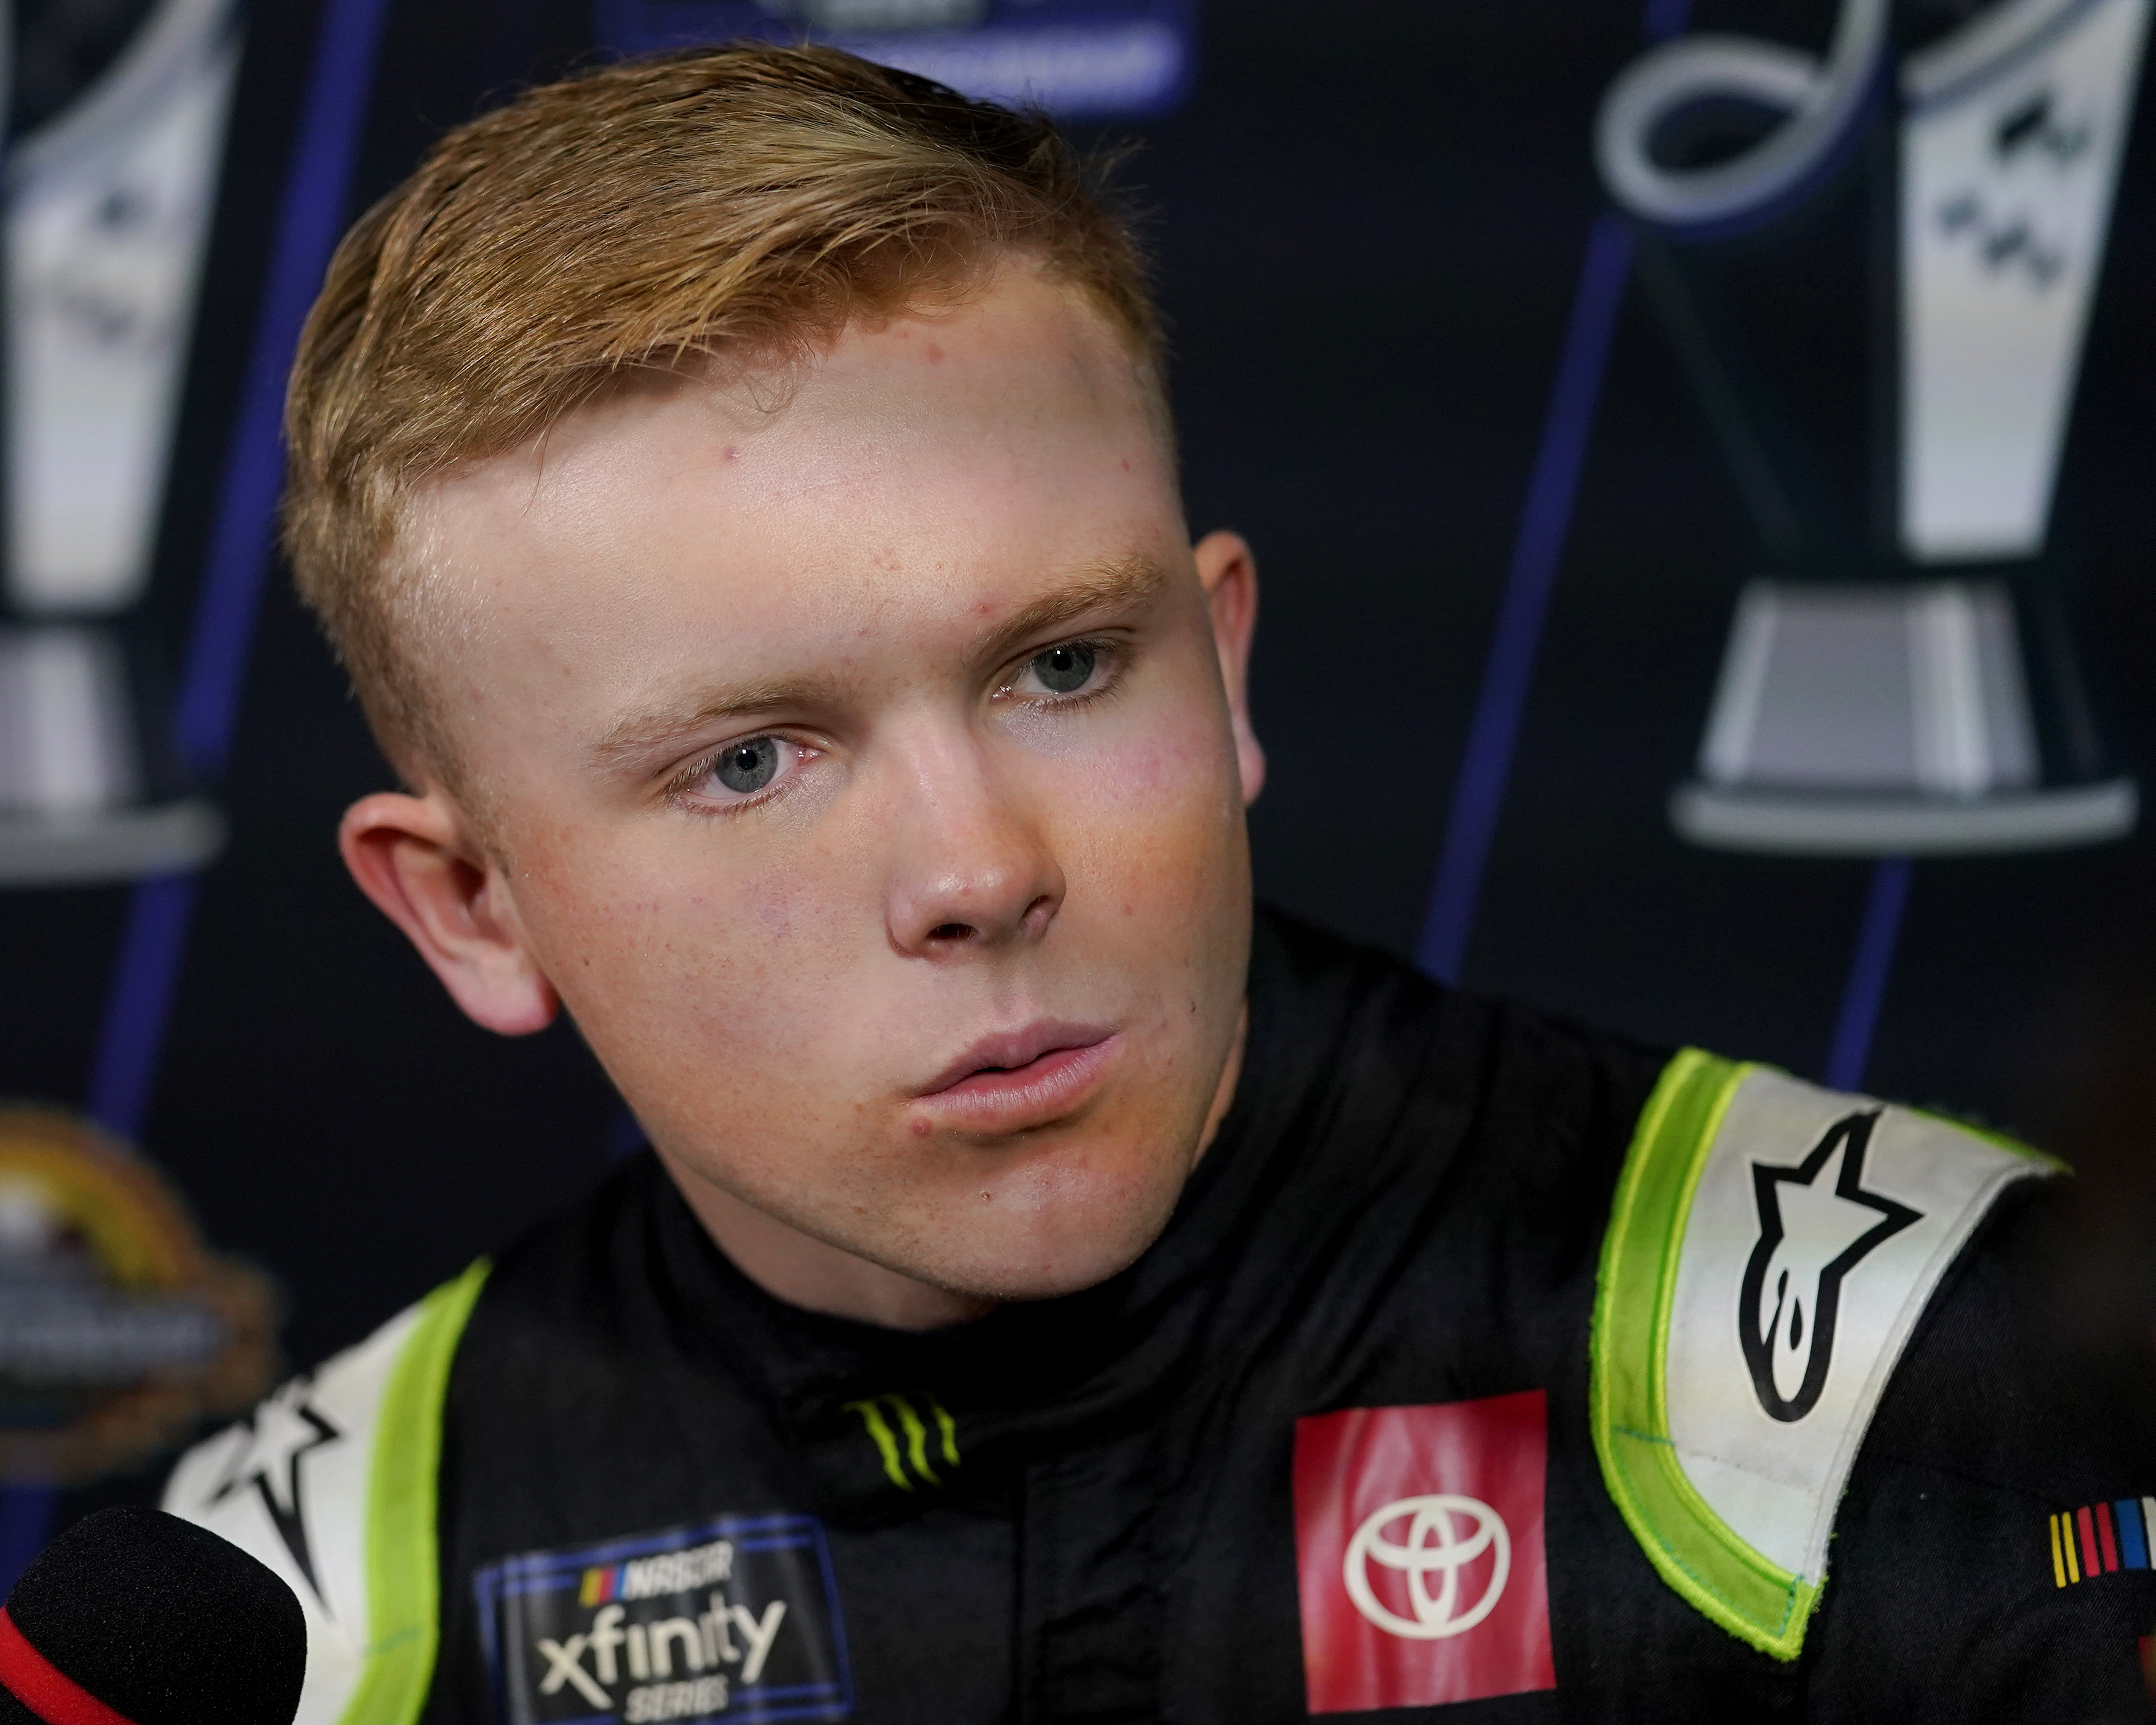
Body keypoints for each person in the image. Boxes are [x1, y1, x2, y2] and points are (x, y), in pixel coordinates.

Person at [165, 42, 2156, 1722]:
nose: (975, 870)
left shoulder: (1909, 1358)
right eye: (749, 761)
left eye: (1059, 667)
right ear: (468, 905)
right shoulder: (298, 1604)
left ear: (1220, 670)